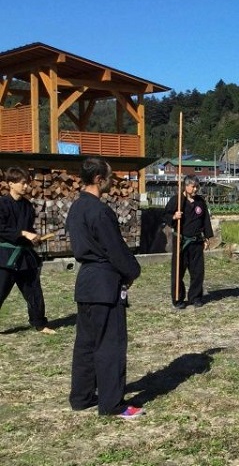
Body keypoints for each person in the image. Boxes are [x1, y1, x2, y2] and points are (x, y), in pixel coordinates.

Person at [67, 158, 144, 419]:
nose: (112, 182)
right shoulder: (100, 211)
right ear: (99, 179)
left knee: (86, 343)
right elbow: (115, 248)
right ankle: (112, 404)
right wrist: (132, 271)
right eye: (109, 177)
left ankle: (81, 396)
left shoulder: (76, 208)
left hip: (86, 281)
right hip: (104, 281)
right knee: (110, 344)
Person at [0, 166, 54, 334]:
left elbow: (28, 229)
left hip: (24, 256)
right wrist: (23, 233)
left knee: (34, 291)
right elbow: (1, 229)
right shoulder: (1, 204)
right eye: (23, 183)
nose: (26, 186)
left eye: (27, 183)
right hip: (5, 258)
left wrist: (34, 239)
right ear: (11, 184)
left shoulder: (27, 206)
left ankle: (39, 323)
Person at [163, 175, 213, 310]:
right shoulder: (178, 200)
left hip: (196, 241)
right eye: (193, 186)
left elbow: (205, 220)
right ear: (186, 186)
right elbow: (166, 215)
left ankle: (195, 297)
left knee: (198, 271)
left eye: (197, 186)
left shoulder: (200, 201)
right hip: (181, 240)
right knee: (178, 271)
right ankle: (178, 299)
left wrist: (207, 237)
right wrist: (174, 216)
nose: (195, 189)